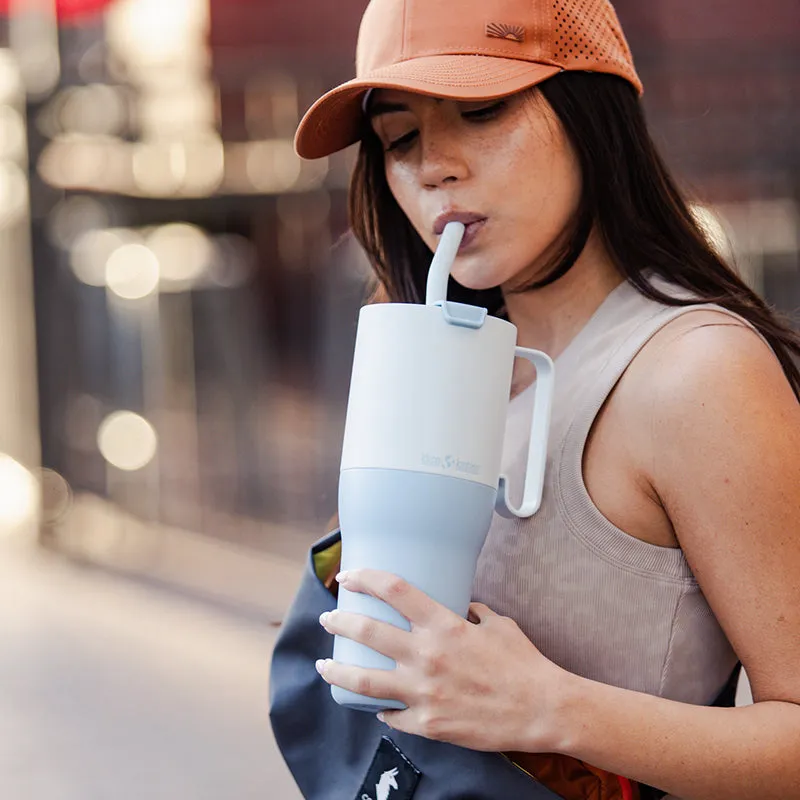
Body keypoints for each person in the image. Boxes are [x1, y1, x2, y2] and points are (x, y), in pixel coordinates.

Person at [270, 1, 800, 798]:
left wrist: (549, 708)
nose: (433, 165)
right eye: (399, 137)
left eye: (479, 110)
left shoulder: (694, 371)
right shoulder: (443, 357)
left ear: (591, 111)